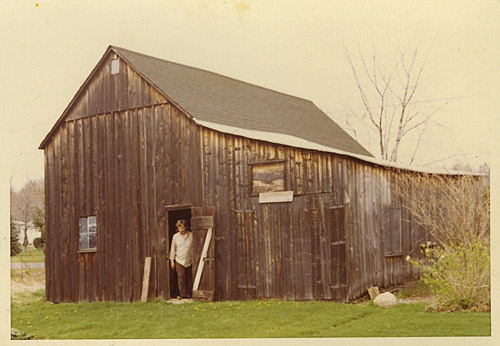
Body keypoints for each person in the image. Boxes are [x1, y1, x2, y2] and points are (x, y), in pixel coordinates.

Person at [169, 219, 193, 299]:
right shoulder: (175, 237)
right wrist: (172, 261)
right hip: (179, 260)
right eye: (179, 228)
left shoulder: (191, 235)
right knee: (181, 277)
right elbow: (173, 248)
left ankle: (190, 294)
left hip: (189, 260)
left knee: (189, 278)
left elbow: (195, 247)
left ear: (185, 227)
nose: (181, 230)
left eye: (182, 228)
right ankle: (183, 294)